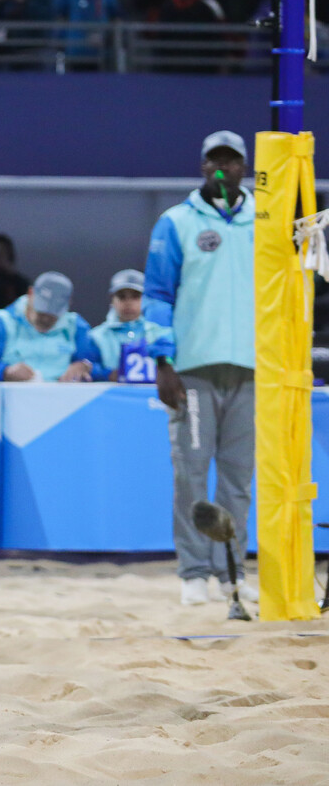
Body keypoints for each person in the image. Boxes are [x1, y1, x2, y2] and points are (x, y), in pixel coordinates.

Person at [144, 130, 258, 606]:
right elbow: (157, 295)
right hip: (192, 369)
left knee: (238, 479)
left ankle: (230, 570)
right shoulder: (175, 223)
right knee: (191, 473)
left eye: (231, 162)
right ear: (202, 165)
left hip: (253, 369)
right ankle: (194, 571)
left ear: (245, 168)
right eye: (214, 160)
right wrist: (164, 361)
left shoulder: (266, 221)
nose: (222, 169)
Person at [0, 271, 95, 382]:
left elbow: (98, 367)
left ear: (68, 304)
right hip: (12, 401)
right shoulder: (2, 322)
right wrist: (4, 371)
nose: (46, 318)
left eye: (52, 314)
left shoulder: (76, 326)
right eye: (41, 311)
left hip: (64, 402)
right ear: (31, 293)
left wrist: (84, 365)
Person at [79, 269, 174, 382]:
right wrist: (108, 374)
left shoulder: (160, 333)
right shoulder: (96, 336)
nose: (128, 302)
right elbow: (86, 367)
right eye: (122, 297)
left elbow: (171, 363)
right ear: (112, 299)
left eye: (135, 296)